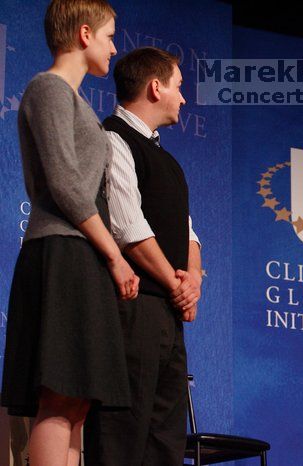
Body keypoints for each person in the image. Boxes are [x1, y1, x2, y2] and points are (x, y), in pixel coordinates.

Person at [0, 1, 139, 465]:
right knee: (59, 397)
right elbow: (63, 183)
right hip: (59, 253)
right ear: (84, 34)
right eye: (109, 36)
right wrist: (116, 257)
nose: (113, 47)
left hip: (84, 256)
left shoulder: (77, 101)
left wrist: (107, 256)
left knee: (78, 400)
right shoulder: (49, 88)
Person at [84, 47, 203, 466]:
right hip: (131, 309)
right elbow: (128, 229)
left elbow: (189, 231)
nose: (183, 98)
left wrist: (194, 280)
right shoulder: (113, 139)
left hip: (167, 314)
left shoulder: (167, 160)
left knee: (165, 439)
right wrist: (177, 286)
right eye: (178, 86)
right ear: (156, 87)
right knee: (123, 433)